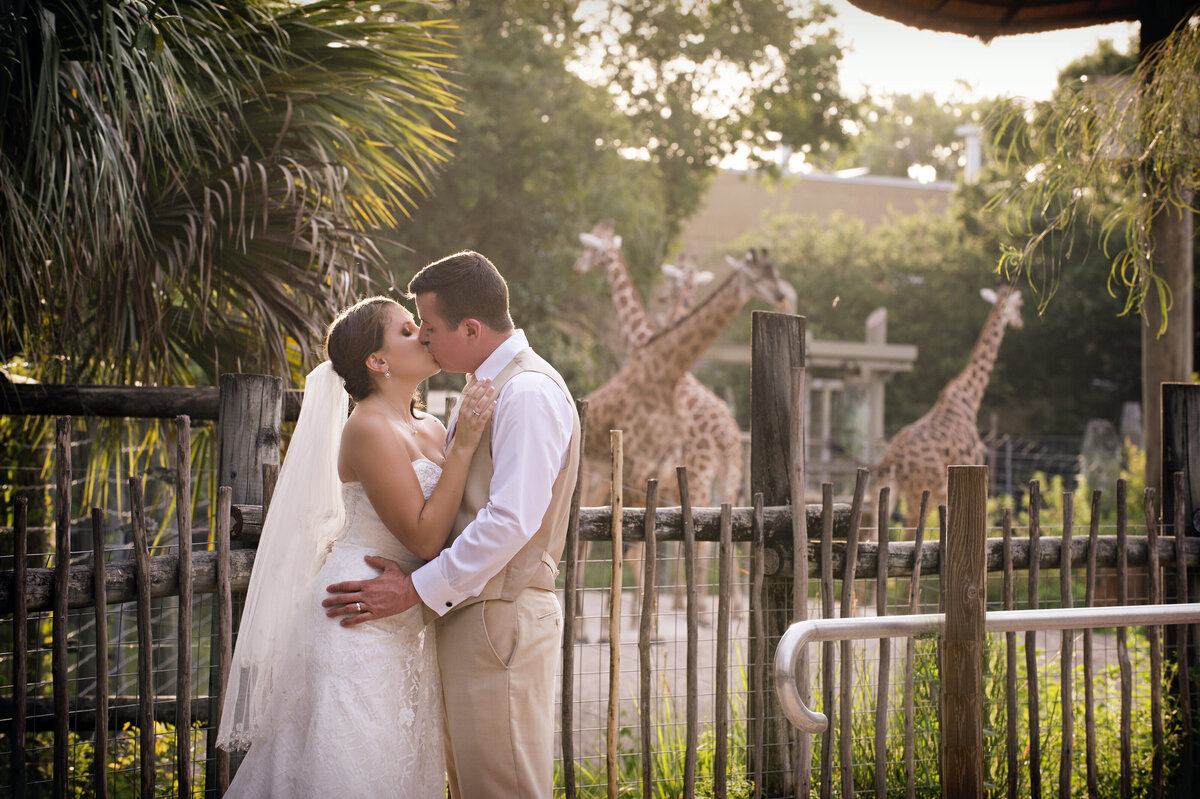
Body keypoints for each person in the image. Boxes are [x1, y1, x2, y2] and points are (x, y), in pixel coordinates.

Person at [323, 251, 581, 798]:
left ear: (469, 327)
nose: (425, 340)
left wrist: (416, 588)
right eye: (414, 329)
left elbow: (510, 520)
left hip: (500, 620)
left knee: (502, 788)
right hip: (469, 617)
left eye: (431, 328)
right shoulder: (485, 393)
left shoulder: (526, 392)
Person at [216, 296, 497, 797]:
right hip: (355, 615)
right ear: (378, 361)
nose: (425, 336)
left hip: (406, 617)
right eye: (409, 331)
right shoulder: (366, 428)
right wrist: (466, 447)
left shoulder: (431, 426)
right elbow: (426, 536)